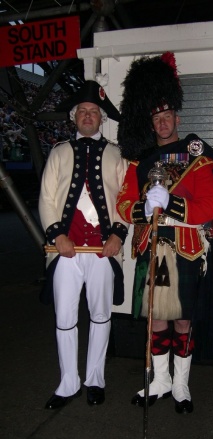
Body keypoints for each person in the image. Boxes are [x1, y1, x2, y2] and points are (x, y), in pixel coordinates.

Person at [116, 52, 213, 414]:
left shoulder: (198, 155)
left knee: (183, 317)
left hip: (187, 249)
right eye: (156, 118)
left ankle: (180, 383)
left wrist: (173, 204)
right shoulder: (140, 160)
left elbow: (210, 205)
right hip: (152, 245)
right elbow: (123, 202)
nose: (162, 123)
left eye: (167, 116)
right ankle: (159, 379)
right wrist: (142, 209)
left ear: (177, 116)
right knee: (156, 317)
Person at [39, 79, 129, 409]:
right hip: (66, 249)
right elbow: (47, 198)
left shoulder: (117, 154)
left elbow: (125, 198)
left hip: (103, 250)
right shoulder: (59, 152)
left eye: (94, 112)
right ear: (74, 117)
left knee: (101, 315)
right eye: (83, 112)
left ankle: (95, 379)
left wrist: (118, 234)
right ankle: (67, 383)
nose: (88, 116)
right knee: (64, 317)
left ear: (101, 118)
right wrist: (56, 235)